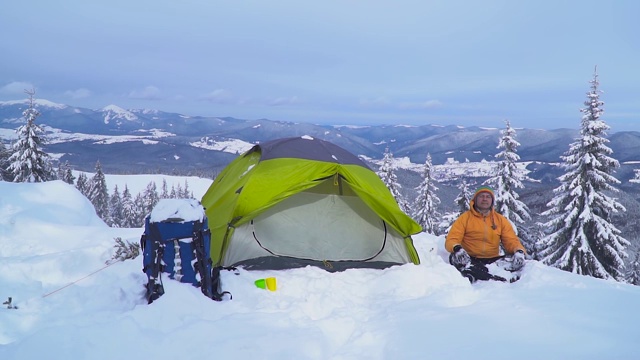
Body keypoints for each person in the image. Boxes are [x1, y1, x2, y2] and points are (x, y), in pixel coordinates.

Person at [445, 186, 526, 282]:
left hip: (493, 259)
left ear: (492, 201)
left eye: (488, 197)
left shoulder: (500, 220)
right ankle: (491, 275)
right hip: (469, 258)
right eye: (481, 196)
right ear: (475, 199)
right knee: (456, 258)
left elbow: (511, 240)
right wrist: (456, 248)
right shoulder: (465, 218)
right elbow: (452, 239)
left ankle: (477, 273)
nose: (484, 199)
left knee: (516, 262)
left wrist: (519, 251)